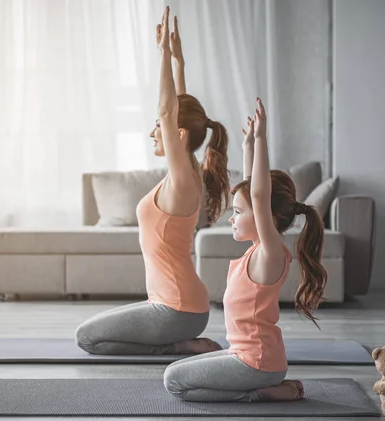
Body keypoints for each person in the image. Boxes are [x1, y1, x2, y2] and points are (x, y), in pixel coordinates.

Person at [75, 7, 230, 356]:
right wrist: (179, 63)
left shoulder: (184, 181)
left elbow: (170, 112)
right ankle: (179, 341)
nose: (151, 132)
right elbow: (181, 114)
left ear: (177, 134)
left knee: (86, 338)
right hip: (178, 304)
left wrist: (161, 52)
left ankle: (177, 347)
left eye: (157, 127)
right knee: (95, 331)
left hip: (176, 310)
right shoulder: (186, 172)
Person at [163, 97, 327, 401]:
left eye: (238, 212)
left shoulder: (270, 253)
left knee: (174, 381)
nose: (232, 217)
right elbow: (254, 189)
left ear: (266, 217)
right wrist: (247, 146)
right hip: (249, 357)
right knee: (177, 371)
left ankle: (263, 393)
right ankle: (271, 387)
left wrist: (262, 139)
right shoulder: (258, 250)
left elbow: (259, 194)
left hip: (257, 364)